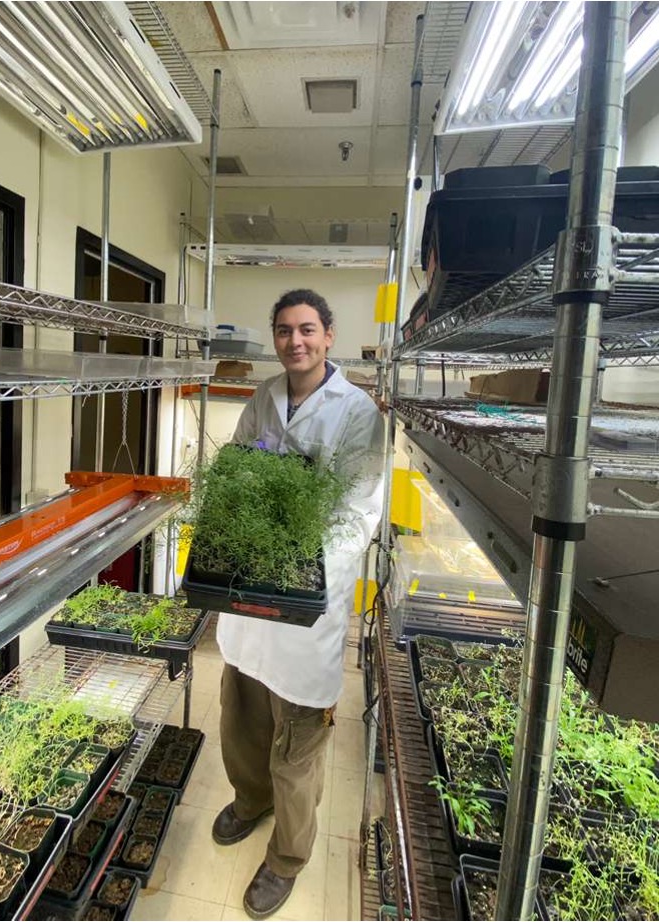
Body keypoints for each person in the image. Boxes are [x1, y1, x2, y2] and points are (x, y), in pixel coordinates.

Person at [211, 288, 386, 919]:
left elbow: (359, 510)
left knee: (298, 740)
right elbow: (237, 469)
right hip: (250, 594)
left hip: (307, 594)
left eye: (307, 329)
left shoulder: (358, 410)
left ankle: (286, 858)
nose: (295, 341)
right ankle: (249, 798)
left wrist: (296, 566)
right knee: (242, 713)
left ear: (329, 334)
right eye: (284, 330)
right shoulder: (263, 396)